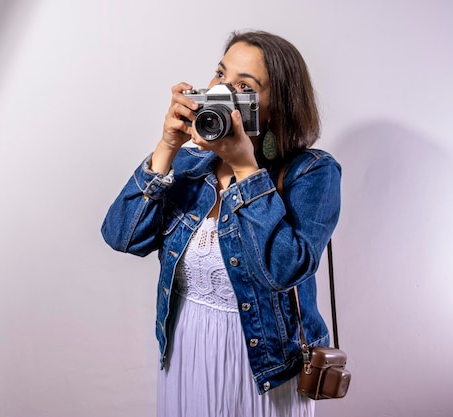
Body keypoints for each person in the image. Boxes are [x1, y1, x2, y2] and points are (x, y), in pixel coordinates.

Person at [101, 30, 341, 417]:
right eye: (220, 75)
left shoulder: (312, 173)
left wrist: (246, 167)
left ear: (275, 106)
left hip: (264, 370)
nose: (223, 92)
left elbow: (282, 271)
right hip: (186, 352)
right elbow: (122, 236)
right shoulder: (191, 166)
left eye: (244, 86)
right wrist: (167, 146)